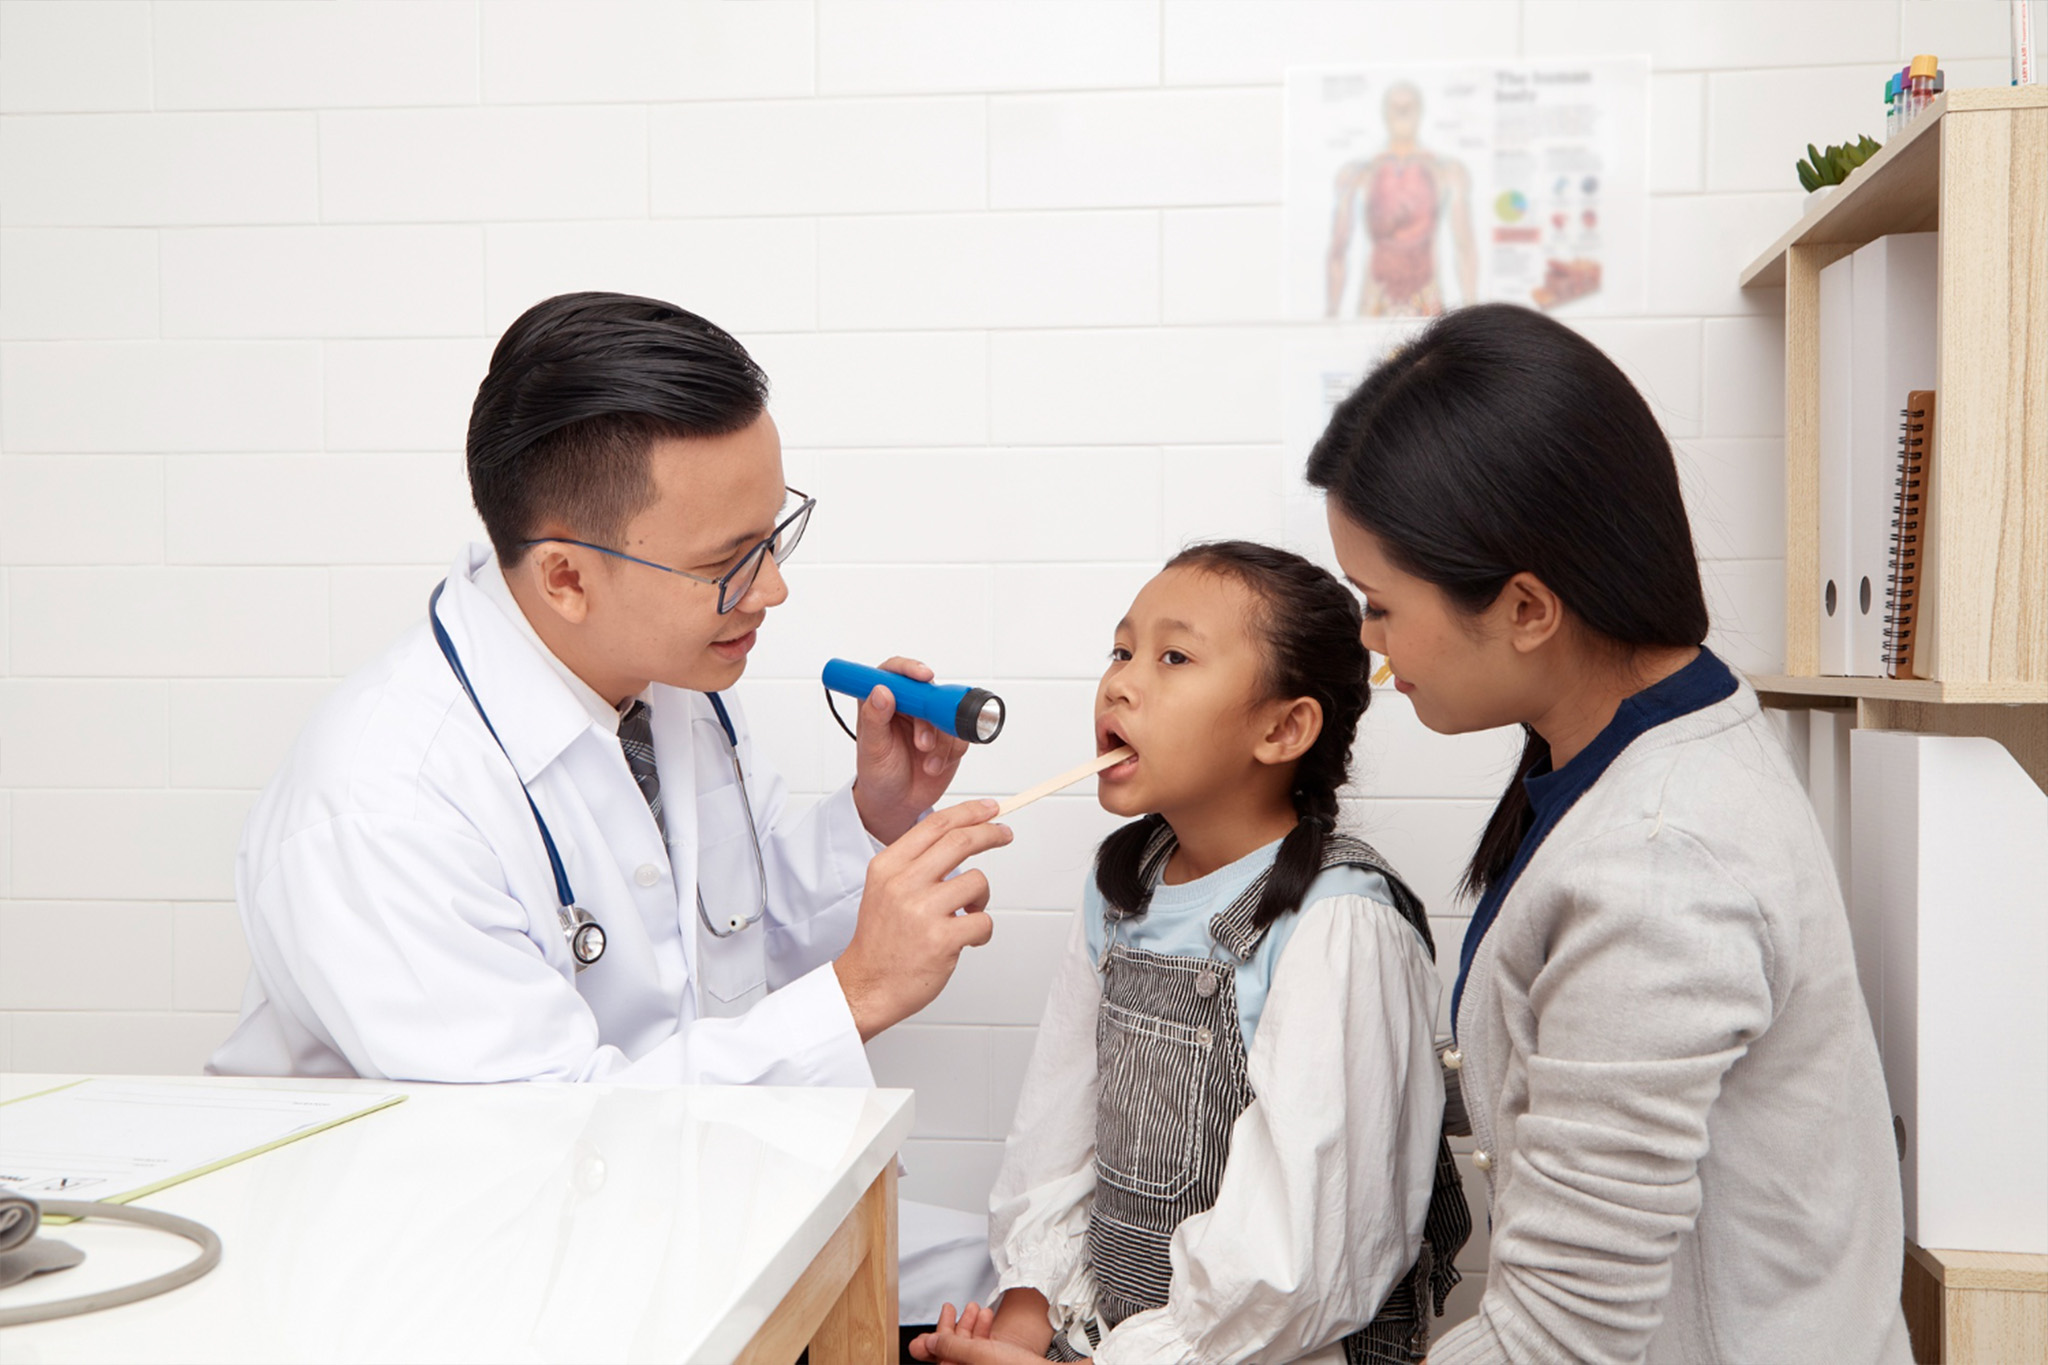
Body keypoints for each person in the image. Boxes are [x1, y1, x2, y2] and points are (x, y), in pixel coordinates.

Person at [208, 291, 1010, 1320]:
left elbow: (726, 939)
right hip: (444, 1278)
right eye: (727, 564)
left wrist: (871, 818)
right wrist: (854, 995)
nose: (770, 593)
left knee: (1009, 1284)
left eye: (772, 540)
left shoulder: (665, 679)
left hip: (653, 1219)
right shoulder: (384, 802)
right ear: (564, 576)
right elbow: (544, 1150)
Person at [1307, 304, 1911, 1364]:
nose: (1368, 644)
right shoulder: (1642, 734)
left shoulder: (1659, 864)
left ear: (1527, 608)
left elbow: (1559, 1341)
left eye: (1379, 604)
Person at [914, 542, 1469, 1365]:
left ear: (1284, 727)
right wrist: (1030, 1309)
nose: (1122, 681)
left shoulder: (1342, 924)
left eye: (1173, 656)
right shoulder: (1120, 891)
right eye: (1121, 649)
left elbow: (1303, 1265)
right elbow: (1054, 1135)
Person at [1325, 81, 1477, 319]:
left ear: (1420, 112)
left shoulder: (1446, 171)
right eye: (1396, 107)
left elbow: (1464, 246)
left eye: (1409, 106)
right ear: (1385, 112)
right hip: (1377, 300)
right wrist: (1331, 313)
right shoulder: (1358, 173)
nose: (1402, 113)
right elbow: (1338, 248)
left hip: (1426, 300)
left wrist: (1472, 319)